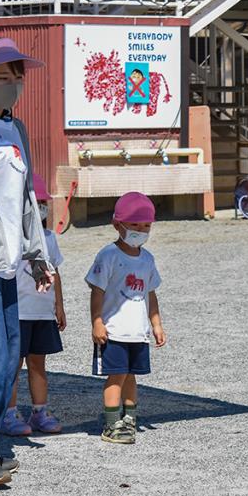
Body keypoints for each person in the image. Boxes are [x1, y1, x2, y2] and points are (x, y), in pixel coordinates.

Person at [0, 36, 52, 488]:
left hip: (8, 263)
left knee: (7, 362)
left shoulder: (15, 128)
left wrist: (37, 255)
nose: (13, 84)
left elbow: (24, 201)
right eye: (2, 76)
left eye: (17, 77)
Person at [86, 191, 166, 445]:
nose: (140, 231)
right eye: (134, 225)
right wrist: (97, 321)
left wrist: (156, 324)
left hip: (137, 332)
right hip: (114, 331)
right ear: (117, 225)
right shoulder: (108, 255)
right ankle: (111, 423)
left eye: (146, 226)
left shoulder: (147, 259)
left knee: (132, 375)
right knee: (116, 375)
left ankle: (129, 417)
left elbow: (150, 293)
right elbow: (97, 290)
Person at [2, 174, 66, 435]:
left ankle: (40, 411)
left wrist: (59, 306)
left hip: (42, 313)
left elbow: (55, 271)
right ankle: (8, 414)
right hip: (18, 313)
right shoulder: (10, 239)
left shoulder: (49, 238)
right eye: (33, 202)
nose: (39, 208)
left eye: (42, 203)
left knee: (38, 364)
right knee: (13, 366)